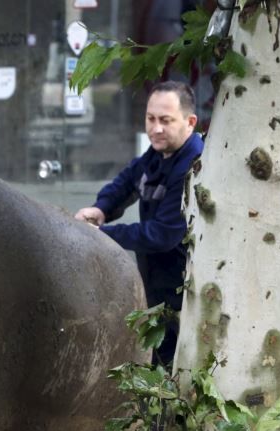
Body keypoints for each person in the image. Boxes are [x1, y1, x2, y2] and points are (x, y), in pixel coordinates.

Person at [74, 81, 203, 366]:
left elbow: (163, 235)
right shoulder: (159, 153)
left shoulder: (194, 164)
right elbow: (128, 181)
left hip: (186, 294)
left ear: (190, 121)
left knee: (176, 368)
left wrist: (100, 234)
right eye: (151, 119)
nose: (156, 128)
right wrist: (101, 208)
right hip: (157, 287)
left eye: (166, 121)